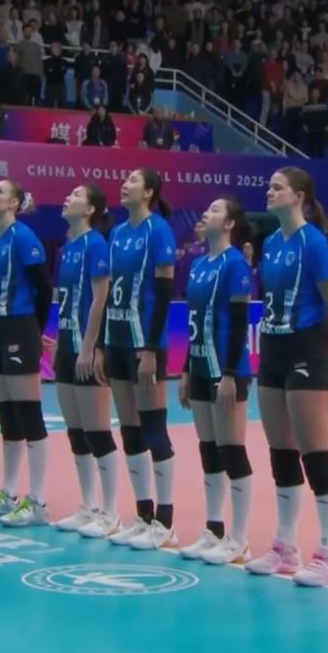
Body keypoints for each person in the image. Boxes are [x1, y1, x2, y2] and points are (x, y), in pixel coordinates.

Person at [246, 167, 328, 587]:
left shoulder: (315, 243)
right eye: (269, 185)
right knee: (281, 451)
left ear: (299, 196)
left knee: (315, 453)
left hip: (307, 349)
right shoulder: (271, 243)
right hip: (272, 348)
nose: (269, 192)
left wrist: (323, 354)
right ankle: (285, 546)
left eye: (278, 187)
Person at [0, 182, 54, 526]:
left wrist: (34, 330)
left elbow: (43, 288)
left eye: (0, 191)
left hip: (19, 328)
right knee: (6, 415)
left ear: (14, 203)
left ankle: (38, 501)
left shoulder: (23, 237)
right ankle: (8, 492)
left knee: (28, 414)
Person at [102, 168, 179, 550]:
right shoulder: (117, 233)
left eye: (132, 181)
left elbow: (163, 293)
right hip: (115, 339)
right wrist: (102, 344)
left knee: (153, 429)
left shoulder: (158, 230)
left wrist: (150, 348)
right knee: (129, 430)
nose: (124, 184)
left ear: (148, 192)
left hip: (143, 342)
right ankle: (143, 514)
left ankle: (165, 521)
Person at [177, 196, 255, 565]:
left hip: (226, 370)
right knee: (208, 449)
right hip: (199, 365)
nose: (206, 213)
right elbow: (194, 322)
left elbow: (239, 323)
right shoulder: (197, 265)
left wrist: (229, 374)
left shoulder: (235, 263)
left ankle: (239, 538)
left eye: (214, 210)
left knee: (231, 450)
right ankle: (214, 530)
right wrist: (186, 370)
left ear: (229, 224)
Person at [48, 184, 122, 536]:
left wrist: (90, 347)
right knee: (76, 431)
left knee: (97, 430)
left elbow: (99, 299)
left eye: (76, 195)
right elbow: (67, 300)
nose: (68, 198)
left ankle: (110, 511)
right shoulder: (69, 248)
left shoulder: (96, 244)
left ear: (90, 209)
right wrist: (60, 341)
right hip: (66, 345)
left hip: (86, 348)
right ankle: (88, 505)